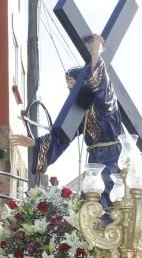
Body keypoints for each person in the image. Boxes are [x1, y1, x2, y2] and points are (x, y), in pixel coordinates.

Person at [11, 34, 122, 211]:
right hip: (94, 161)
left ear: (84, 82)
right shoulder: (79, 112)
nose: (69, 88)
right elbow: (61, 137)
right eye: (67, 83)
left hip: (113, 157)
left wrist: (95, 55)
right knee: (90, 205)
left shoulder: (104, 103)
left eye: (72, 82)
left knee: (108, 202)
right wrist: (36, 144)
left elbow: (103, 88)